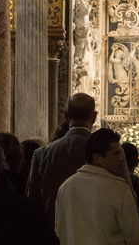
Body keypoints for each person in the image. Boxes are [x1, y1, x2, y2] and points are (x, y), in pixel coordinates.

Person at [27, 92, 96, 226]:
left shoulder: (42, 154)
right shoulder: (108, 152)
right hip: (95, 236)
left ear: (65, 116)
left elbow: (32, 203)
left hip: (53, 233)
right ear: (94, 116)